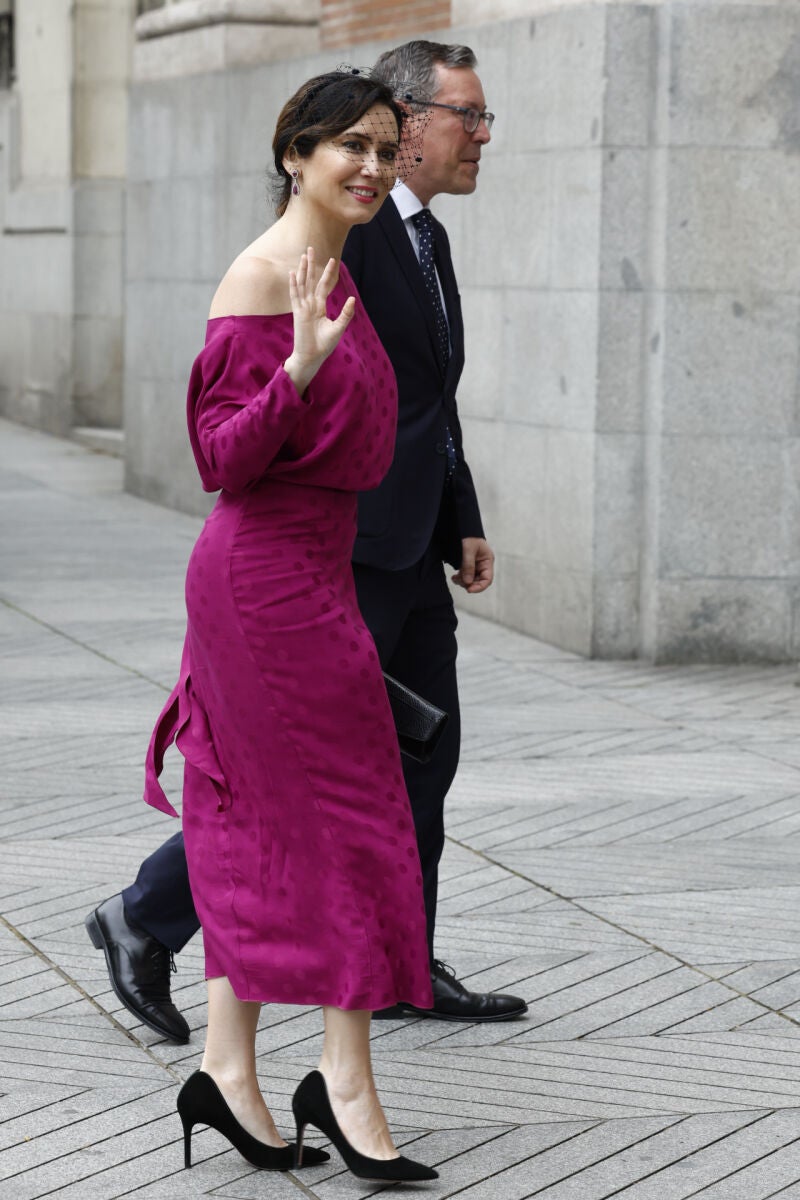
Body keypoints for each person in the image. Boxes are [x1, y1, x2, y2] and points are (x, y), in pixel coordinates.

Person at [85, 40, 526, 1046]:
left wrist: (462, 513)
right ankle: (146, 915)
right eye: (465, 115)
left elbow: (429, 403)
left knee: (423, 755)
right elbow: (241, 425)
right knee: (301, 773)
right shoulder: (343, 235)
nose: (479, 136)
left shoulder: (426, 243)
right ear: (404, 126)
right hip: (333, 553)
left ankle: (402, 958)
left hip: (412, 540)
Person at [96, 69, 439, 1182]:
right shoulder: (260, 277)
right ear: (293, 152)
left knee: (262, 824)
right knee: (352, 824)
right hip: (262, 584)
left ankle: (228, 1073)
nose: (374, 167)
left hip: (313, 574)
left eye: (387, 148)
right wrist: (293, 369)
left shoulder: (334, 264)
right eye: (350, 145)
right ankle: (342, 1080)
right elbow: (219, 459)